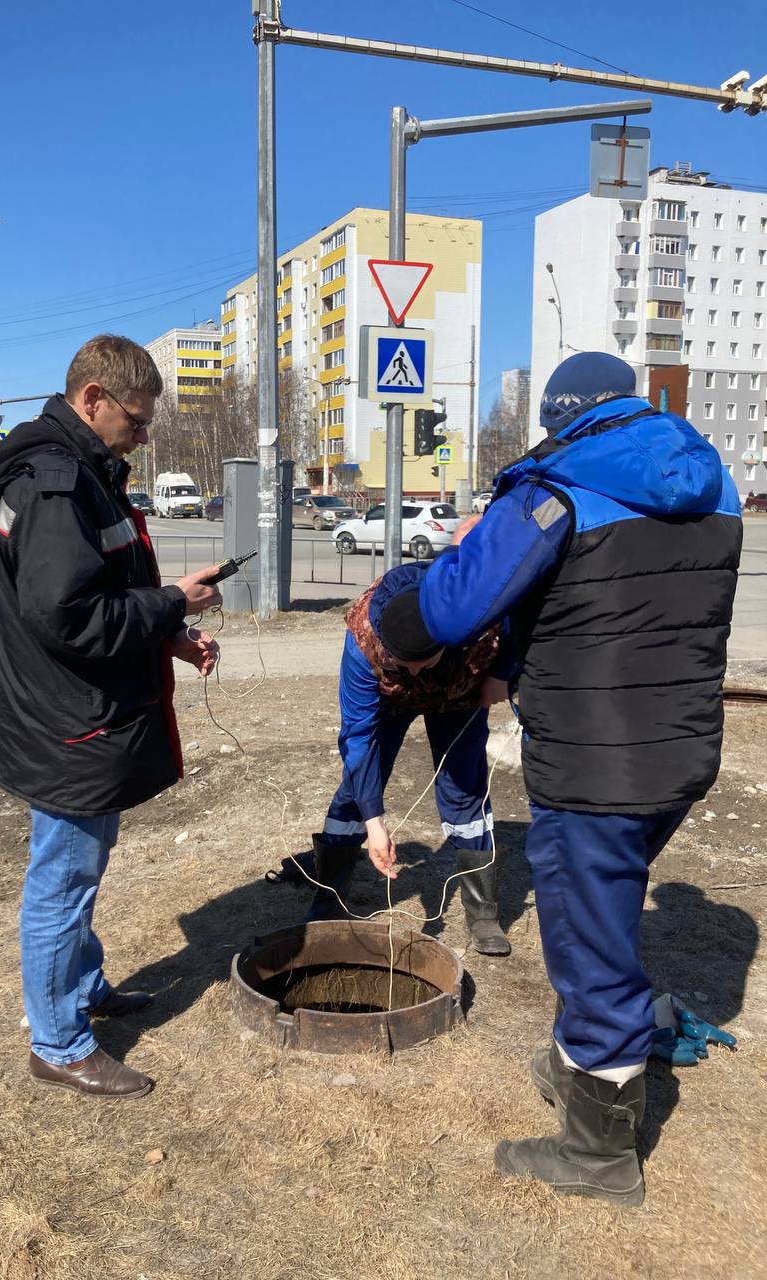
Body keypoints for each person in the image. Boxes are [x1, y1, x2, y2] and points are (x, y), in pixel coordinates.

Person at [417, 352, 742, 1205]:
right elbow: (617, 597)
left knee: (591, 952)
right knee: (605, 913)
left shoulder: (553, 490)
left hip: (595, 763)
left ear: (562, 416)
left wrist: (461, 555)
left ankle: (598, 1152)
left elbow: (454, 607)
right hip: (680, 750)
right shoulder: (717, 484)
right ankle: (578, 1066)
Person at [0, 335, 223, 1100]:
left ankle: (83, 987)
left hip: (70, 711)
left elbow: (86, 600)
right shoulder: (56, 484)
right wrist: (173, 602)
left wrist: (166, 635)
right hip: (66, 725)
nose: (144, 435)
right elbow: (69, 617)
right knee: (63, 880)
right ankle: (60, 1043)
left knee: (80, 869)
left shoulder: (76, 471)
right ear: (93, 398)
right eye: (136, 421)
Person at [305, 557, 514, 956]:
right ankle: (329, 897)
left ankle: (483, 914)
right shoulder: (364, 640)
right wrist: (375, 822)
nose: (416, 673)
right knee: (357, 787)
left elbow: (519, 623)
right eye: (404, 665)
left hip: (460, 693)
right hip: (389, 701)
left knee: (464, 788)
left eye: (424, 664)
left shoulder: (478, 610)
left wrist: (502, 673)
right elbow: (358, 735)